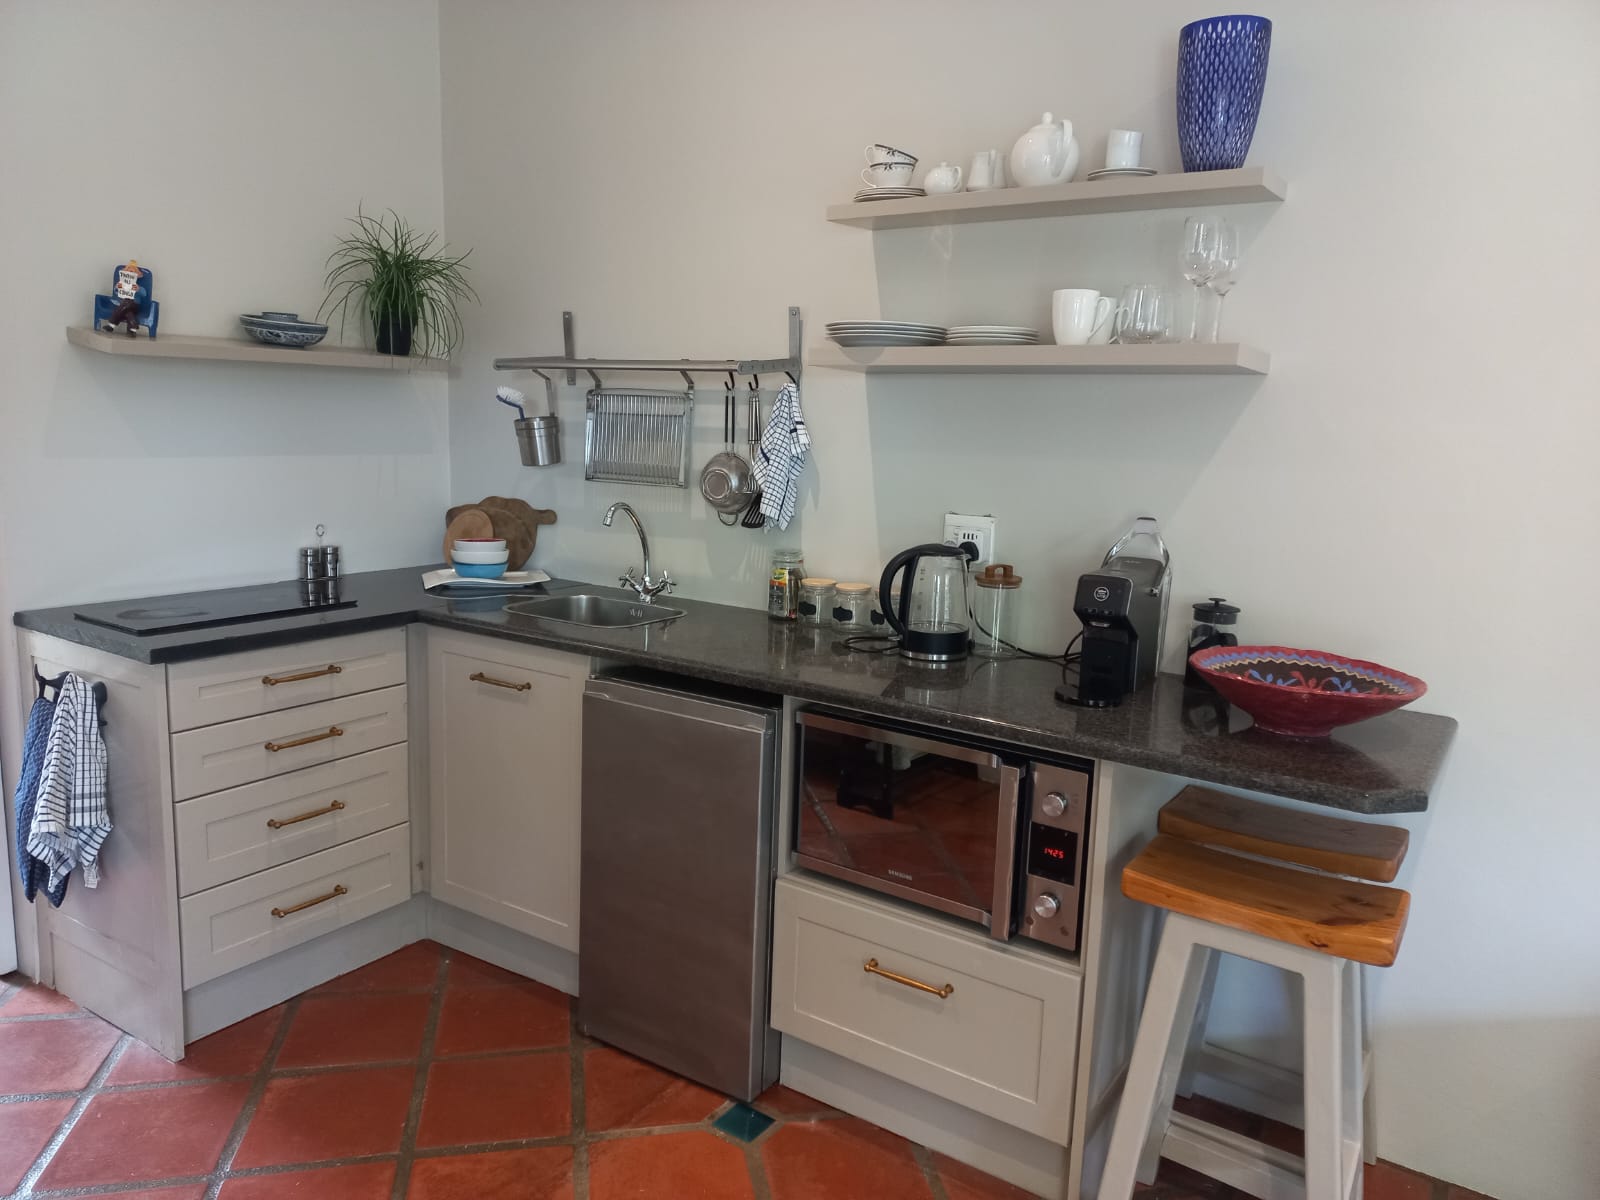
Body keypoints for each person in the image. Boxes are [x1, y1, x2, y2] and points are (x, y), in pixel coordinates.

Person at [100, 260, 147, 336]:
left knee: (126, 303)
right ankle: (132, 329)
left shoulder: (137, 286)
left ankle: (111, 324)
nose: (130, 273)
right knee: (128, 313)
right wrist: (118, 287)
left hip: (134, 304)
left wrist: (138, 289)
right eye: (129, 272)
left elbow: (144, 294)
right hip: (125, 305)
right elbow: (117, 293)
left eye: (132, 272)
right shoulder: (122, 284)